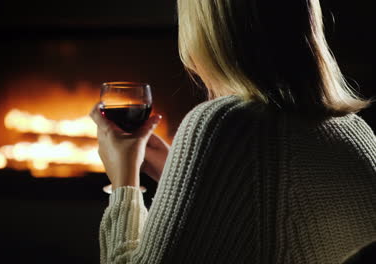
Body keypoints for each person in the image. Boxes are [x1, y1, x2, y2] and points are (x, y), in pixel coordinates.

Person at [89, 0, 376, 263]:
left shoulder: (225, 122)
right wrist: (181, 178)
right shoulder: (357, 131)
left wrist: (123, 178)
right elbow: (279, 220)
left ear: (208, 35)